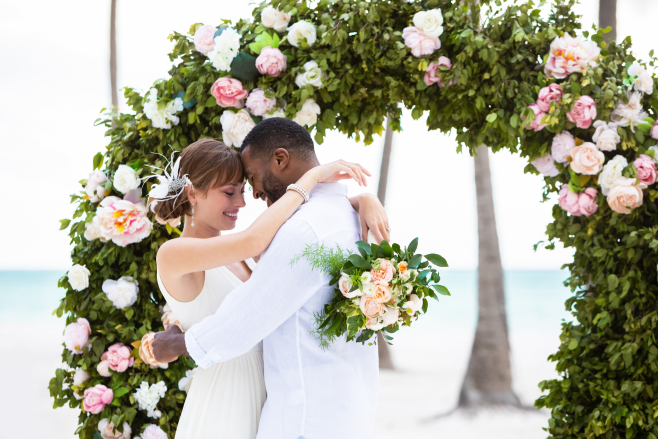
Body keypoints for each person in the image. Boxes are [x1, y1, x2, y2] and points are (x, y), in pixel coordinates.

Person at [152, 126, 389, 439]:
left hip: (264, 395)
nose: (243, 201)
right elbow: (256, 240)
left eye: (243, 187)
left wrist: (360, 200)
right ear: (192, 192)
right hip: (226, 394)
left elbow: (291, 241)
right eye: (229, 191)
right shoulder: (174, 252)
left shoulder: (244, 253)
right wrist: (312, 178)